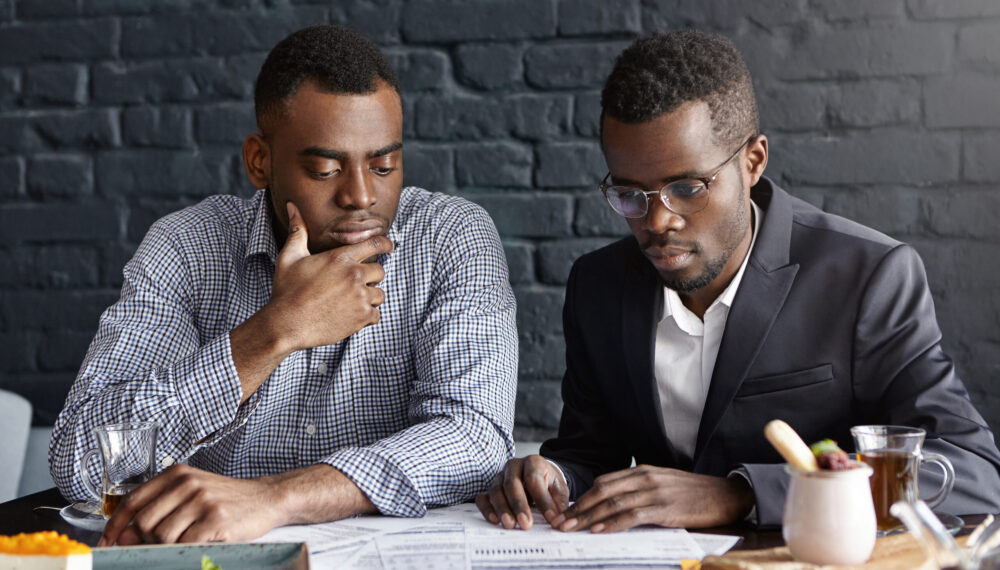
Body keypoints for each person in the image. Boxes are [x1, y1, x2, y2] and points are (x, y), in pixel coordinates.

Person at [477, 29, 1000, 532]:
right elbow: (591, 454)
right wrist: (554, 475)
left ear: (753, 161)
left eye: (686, 187)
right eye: (630, 193)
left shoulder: (868, 278)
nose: (657, 222)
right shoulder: (598, 285)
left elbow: (971, 471)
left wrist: (740, 494)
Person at [50, 25, 518, 545]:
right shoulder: (186, 248)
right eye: (325, 169)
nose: (361, 196)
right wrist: (274, 331)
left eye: (384, 165)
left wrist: (277, 498)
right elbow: (82, 461)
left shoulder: (453, 237)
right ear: (261, 162)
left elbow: (474, 440)